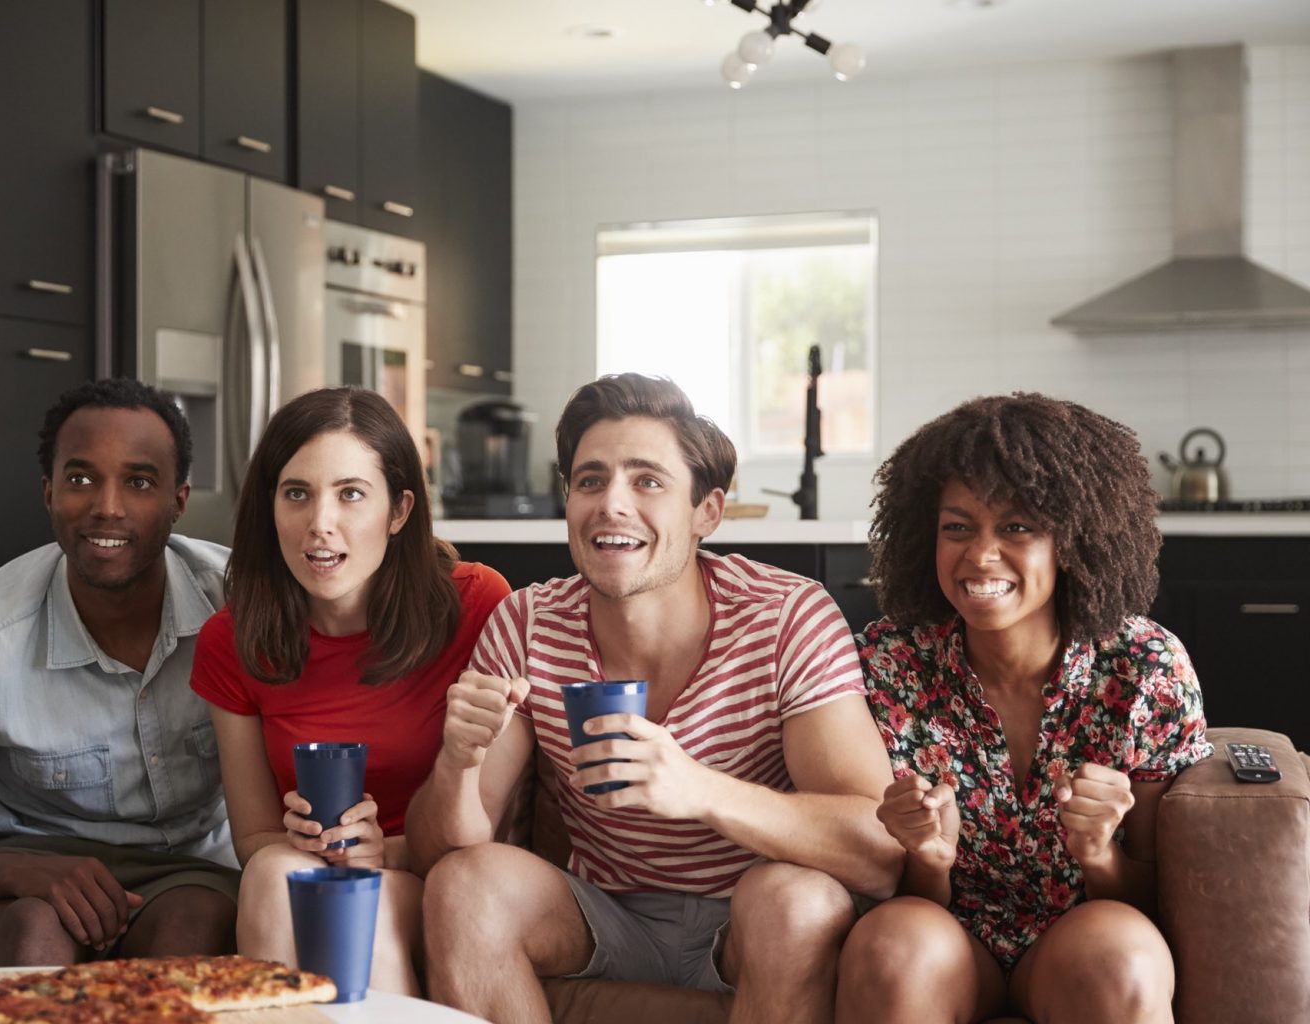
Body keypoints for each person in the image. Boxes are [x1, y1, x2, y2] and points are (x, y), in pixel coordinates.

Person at [408, 373, 901, 1024]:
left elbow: (879, 850)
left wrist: (699, 790)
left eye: (647, 481)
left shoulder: (784, 616)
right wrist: (458, 760)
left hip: (751, 920)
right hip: (606, 910)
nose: (611, 504)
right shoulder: (527, 624)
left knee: (798, 901)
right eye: (590, 481)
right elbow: (440, 854)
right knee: (463, 886)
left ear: (708, 513)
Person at [835, 394, 1212, 1024]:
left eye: (1016, 528)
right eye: (957, 527)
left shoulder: (1144, 666)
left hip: (1080, 942)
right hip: (945, 942)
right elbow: (881, 888)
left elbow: (1155, 899)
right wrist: (929, 861)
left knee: (1123, 954)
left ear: (1073, 540)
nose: (980, 556)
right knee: (893, 942)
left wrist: (1099, 853)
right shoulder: (885, 662)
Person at [0, 378, 239, 966]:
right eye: (80, 478)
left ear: (179, 501)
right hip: (29, 860)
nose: (108, 506)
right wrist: (22, 872)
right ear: (48, 492)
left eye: (139, 482)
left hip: (194, 869)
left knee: (192, 930)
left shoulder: (243, 608)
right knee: (32, 933)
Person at [189, 387, 509, 994]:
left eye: (351, 494)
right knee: (272, 874)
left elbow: (499, 819)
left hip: (439, 872)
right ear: (270, 507)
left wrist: (385, 851)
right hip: (306, 871)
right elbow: (254, 837)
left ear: (399, 510)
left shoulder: (476, 605)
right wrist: (304, 839)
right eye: (297, 494)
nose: (319, 525)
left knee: (355, 910)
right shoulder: (231, 640)